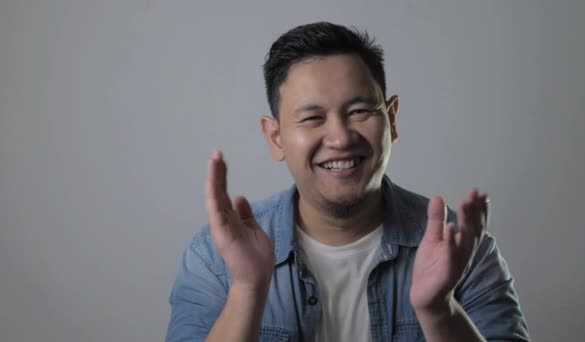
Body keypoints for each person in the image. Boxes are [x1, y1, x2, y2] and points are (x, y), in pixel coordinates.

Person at [165, 22, 530, 342]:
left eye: (359, 112)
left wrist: (439, 311)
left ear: (391, 119)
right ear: (275, 137)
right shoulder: (214, 257)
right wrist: (246, 289)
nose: (340, 138)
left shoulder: (462, 250)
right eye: (312, 118)